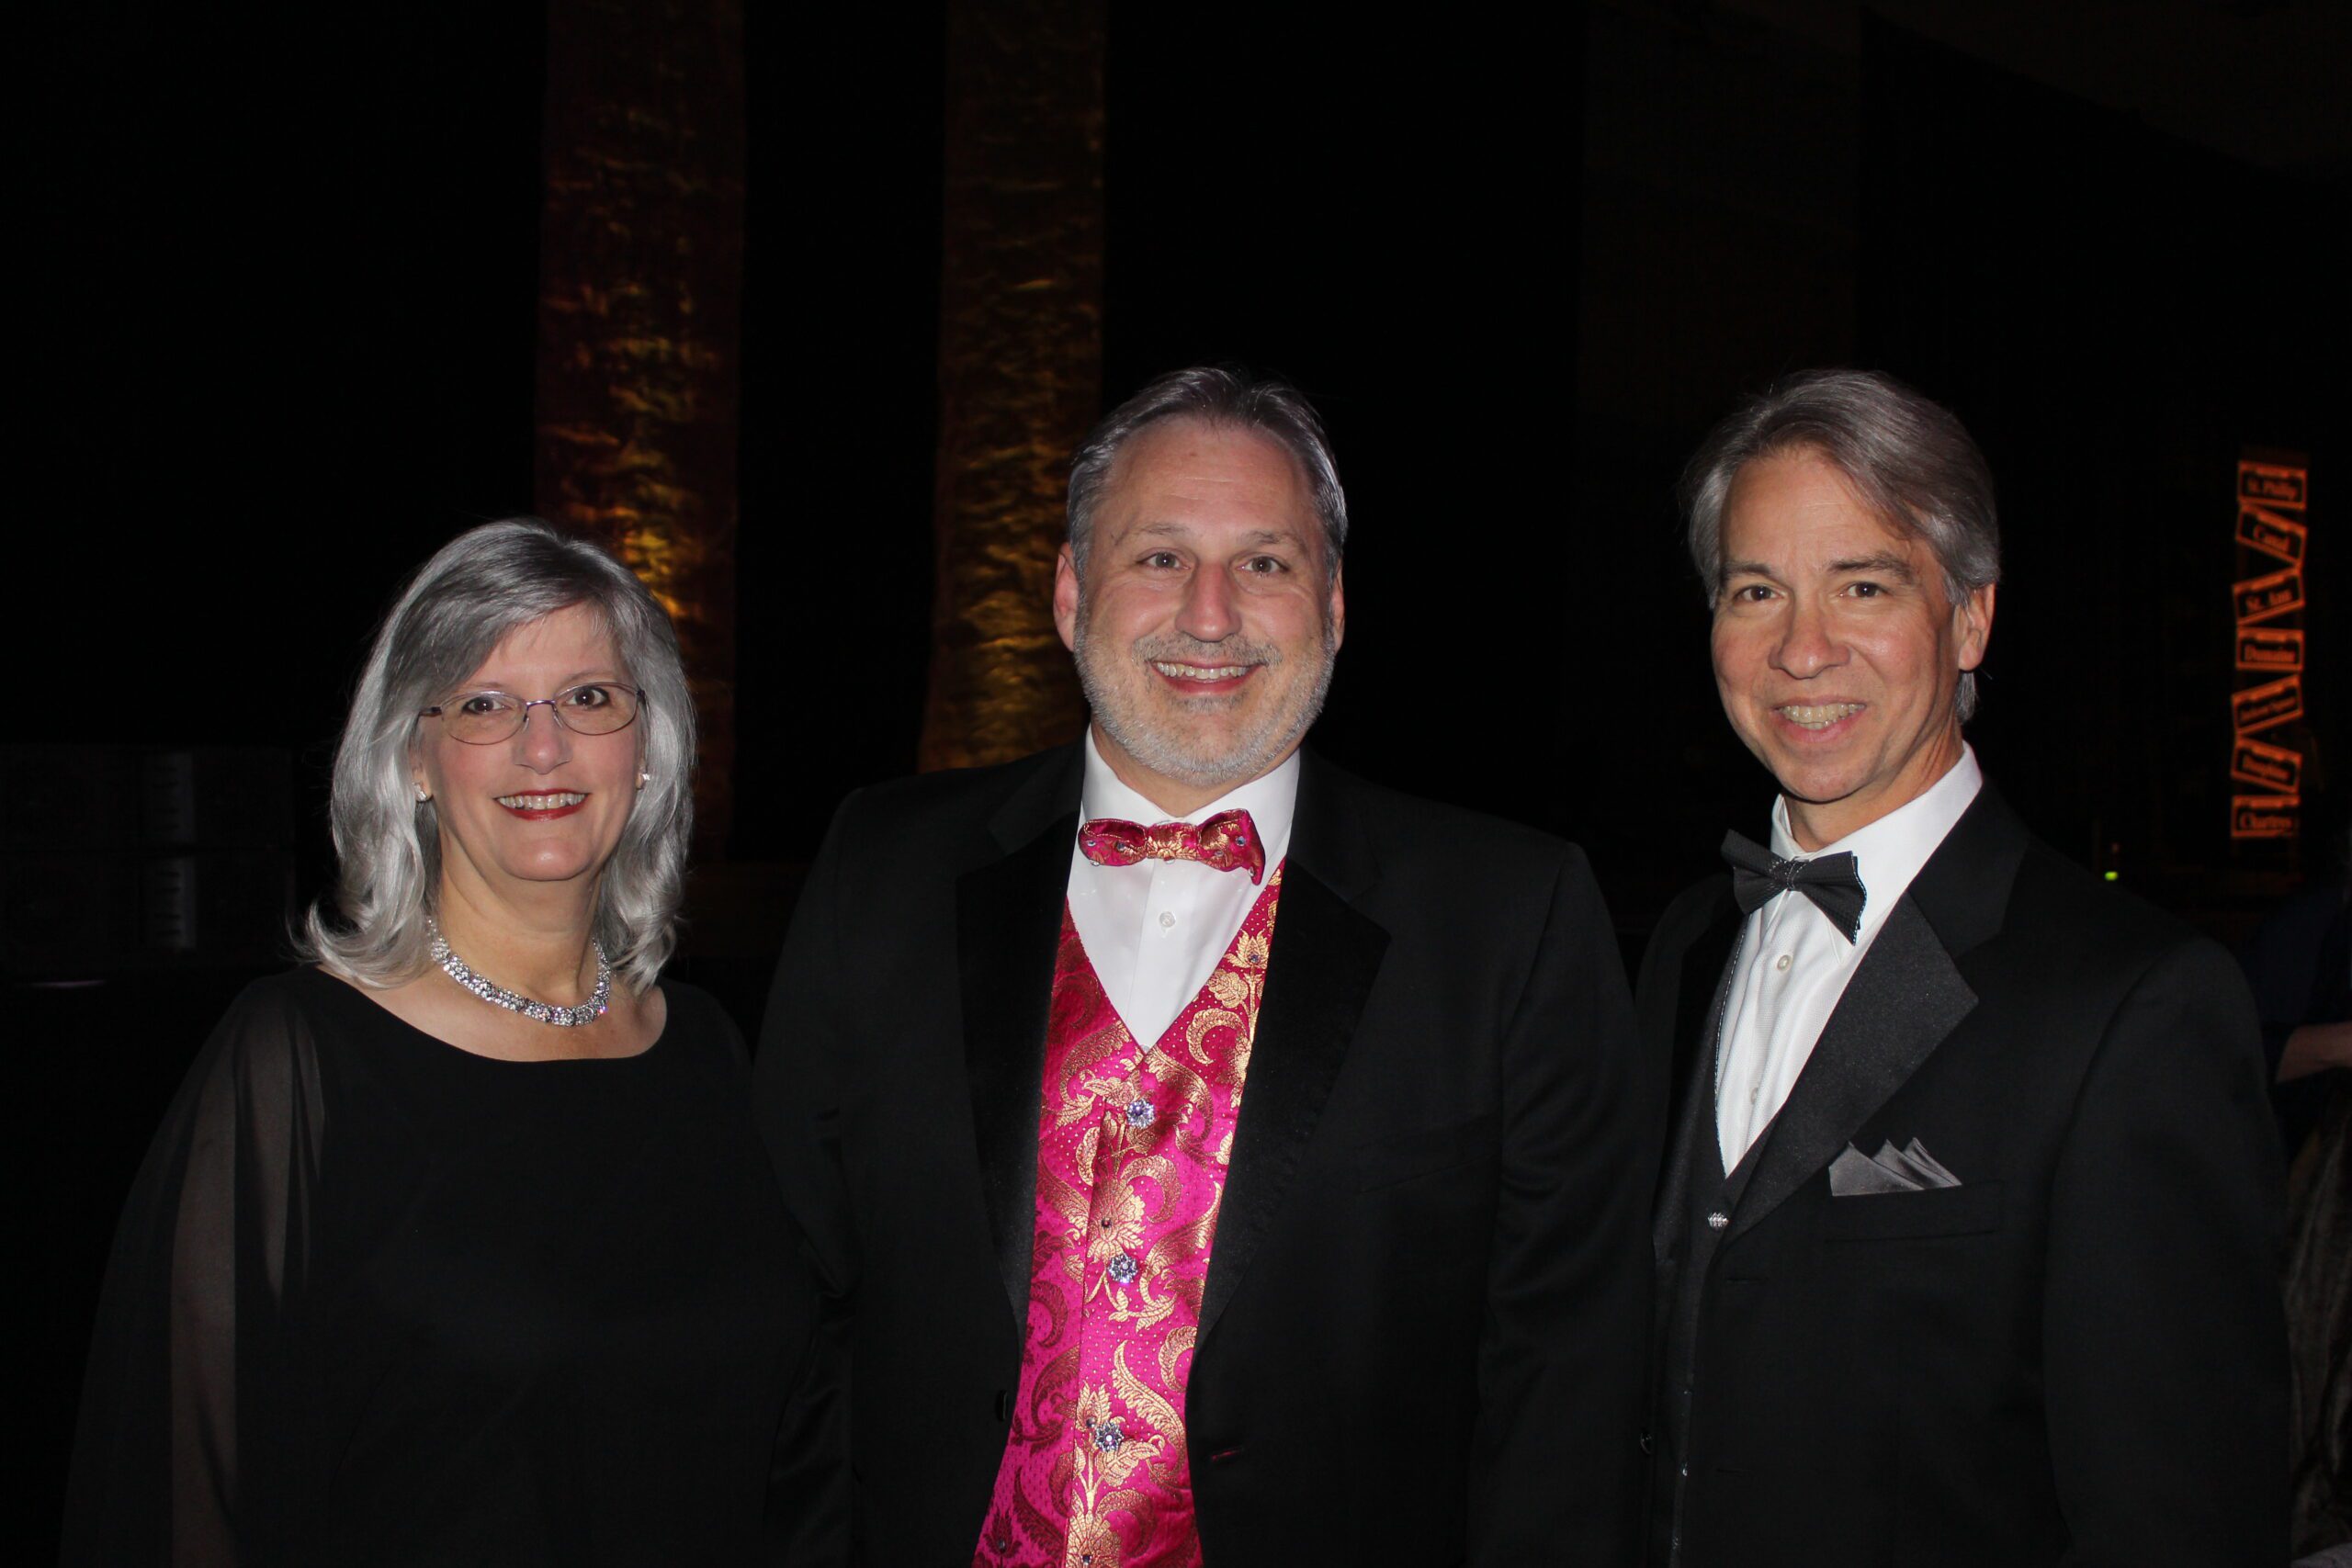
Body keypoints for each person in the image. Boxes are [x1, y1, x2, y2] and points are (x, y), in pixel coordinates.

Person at [756, 367, 1659, 1564]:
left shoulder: (1510, 916)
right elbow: (785, 1296)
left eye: (1266, 563)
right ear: (1071, 593)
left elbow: (1567, 1381)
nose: (1211, 614)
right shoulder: (881, 867)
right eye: (1160, 556)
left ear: (1333, 605)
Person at [1636, 369, 2289, 1566]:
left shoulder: (2136, 1004)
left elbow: (2181, 1513)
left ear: (1971, 619)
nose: (1802, 648)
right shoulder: (1684, 944)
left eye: (1864, 585)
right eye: (1756, 589)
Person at [62, 519, 807, 1566]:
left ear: (647, 746)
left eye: (589, 697)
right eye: (485, 704)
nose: (542, 747)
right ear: (414, 757)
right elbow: (191, 1505)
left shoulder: (708, 1049)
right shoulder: (299, 1061)